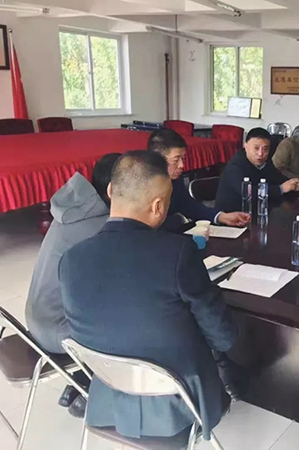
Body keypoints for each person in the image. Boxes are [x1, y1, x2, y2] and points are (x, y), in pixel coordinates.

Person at [60, 151, 237, 440]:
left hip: (108, 399)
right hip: (177, 405)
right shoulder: (177, 253)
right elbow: (223, 338)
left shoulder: (71, 259)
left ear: (110, 191)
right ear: (158, 206)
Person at [25, 153, 121, 417]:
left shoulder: (77, 209)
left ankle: (80, 381)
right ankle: (96, 390)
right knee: (136, 319)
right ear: (113, 190)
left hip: (38, 319)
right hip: (59, 331)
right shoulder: (100, 225)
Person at [147, 128, 249, 230]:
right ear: (157, 160)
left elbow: (189, 206)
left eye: (183, 158)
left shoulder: (175, 179)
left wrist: (222, 217)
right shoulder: (143, 184)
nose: (182, 165)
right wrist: (178, 220)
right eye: (176, 160)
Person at [215, 127, 299, 213]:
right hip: (232, 215)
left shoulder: (265, 161)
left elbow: (276, 177)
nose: (260, 153)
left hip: (259, 209)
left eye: (265, 149)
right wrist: (281, 189)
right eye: (256, 148)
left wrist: (292, 183)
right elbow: (249, 192)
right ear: (246, 146)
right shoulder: (235, 166)